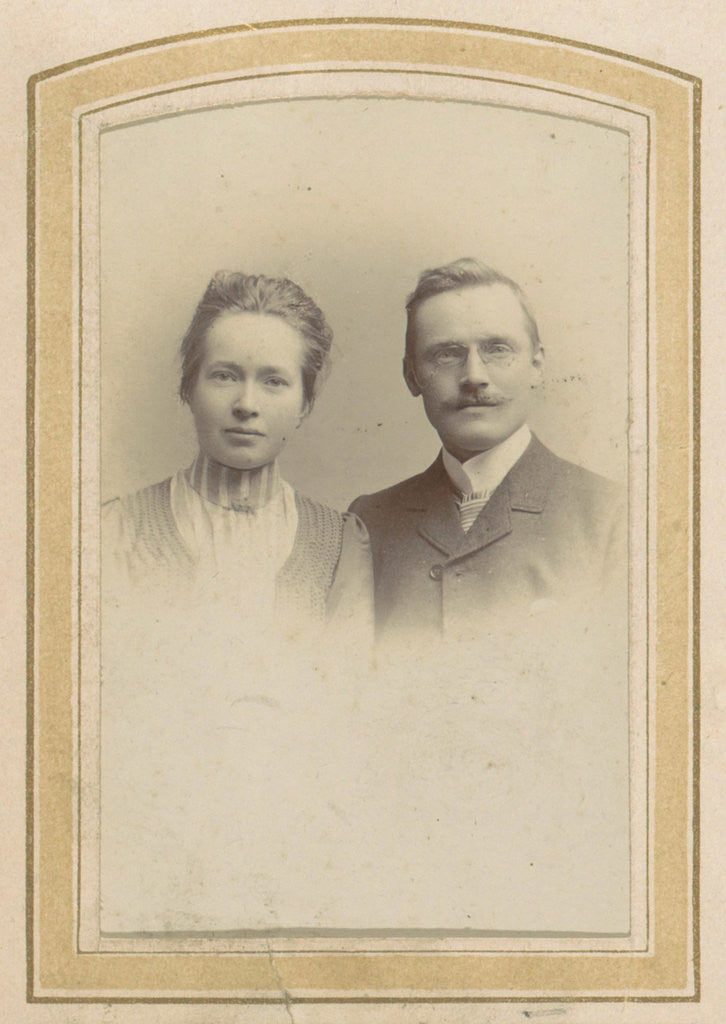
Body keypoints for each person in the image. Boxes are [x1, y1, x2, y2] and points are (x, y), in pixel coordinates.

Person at [99, 271, 373, 935]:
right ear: (187, 386)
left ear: (304, 403)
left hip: (295, 871)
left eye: (274, 381)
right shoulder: (109, 534)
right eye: (225, 375)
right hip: (143, 866)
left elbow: (345, 725)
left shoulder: (340, 544)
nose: (246, 403)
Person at [349, 258, 626, 645]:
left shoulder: (615, 516)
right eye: (447, 354)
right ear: (412, 375)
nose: (474, 376)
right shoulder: (369, 523)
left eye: (497, 349)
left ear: (536, 364)